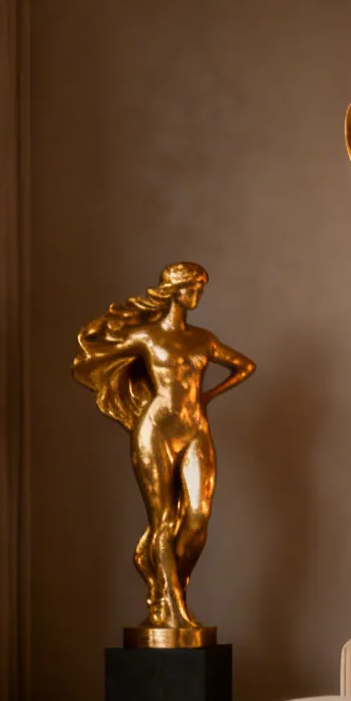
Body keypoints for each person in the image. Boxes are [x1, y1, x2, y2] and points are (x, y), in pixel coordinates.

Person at [73, 262, 254, 644]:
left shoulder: (203, 339)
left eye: (201, 288)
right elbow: (95, 356)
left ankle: (165, 583)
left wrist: (206, 397)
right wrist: (96, 332)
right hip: (155, 429)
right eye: (193, 287)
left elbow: (244, 366)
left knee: (198, 516)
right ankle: (172, 606)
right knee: (165, 520)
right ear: (175, 290)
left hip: (194, 428)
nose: (198, 295)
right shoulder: (146, 337)